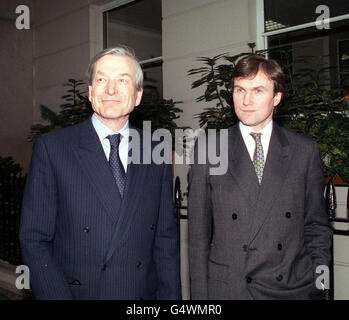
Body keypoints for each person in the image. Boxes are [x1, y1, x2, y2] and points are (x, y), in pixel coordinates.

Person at [19, 46, 181, 300]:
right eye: (102, 79)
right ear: (90, 92)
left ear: (138, 95)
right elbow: (34, 239)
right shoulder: (53, 149)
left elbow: (165, 239)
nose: (111, 89)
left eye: (122, 80)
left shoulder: (156, 148)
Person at [188, 54, 332, 300]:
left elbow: (317, 226)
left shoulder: (303, 150)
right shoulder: (209, 150)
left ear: (276, 97)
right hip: (231, 289)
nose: (246, 100)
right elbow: (198, 238)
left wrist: (321, 285)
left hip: (292, 288)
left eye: (258, 90)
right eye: (239, 90)